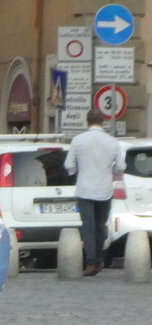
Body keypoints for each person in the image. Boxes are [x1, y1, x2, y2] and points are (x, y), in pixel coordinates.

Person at [66, 108, 124, 276]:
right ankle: (99, 259)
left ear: (87, 121)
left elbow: (69, 165)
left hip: (84, 189)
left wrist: (77, 172)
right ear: (103, 121)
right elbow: (120, 167)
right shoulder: (112, 142)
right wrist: (109, 171)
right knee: (100, 226)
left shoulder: (78, 140)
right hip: (105, 189)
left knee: (89, 227)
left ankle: (91, 262)